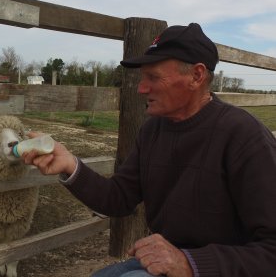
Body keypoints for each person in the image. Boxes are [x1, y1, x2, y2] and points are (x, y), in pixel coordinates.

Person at [22, 23, 276, 277]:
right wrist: (70, 165)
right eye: (143, 77)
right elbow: (119, 198)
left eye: (153, 77)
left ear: (196, 76)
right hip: (167, 262)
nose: (141, 88)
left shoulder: (243, 136)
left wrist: (189, 262)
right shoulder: (153, 130)